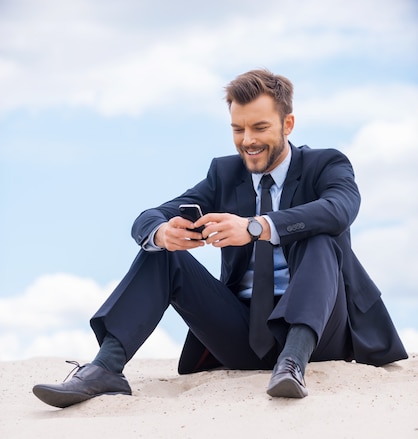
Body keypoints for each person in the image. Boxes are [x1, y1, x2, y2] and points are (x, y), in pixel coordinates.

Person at [32, 69, 408, 408]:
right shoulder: (224, 175)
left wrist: (256, 226)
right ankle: (106, 367)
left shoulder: (326, 164)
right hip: (244, 333)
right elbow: (148, 217)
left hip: (322, 334)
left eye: (260, 128)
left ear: (288, 124)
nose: (248, 141)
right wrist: (162, 233)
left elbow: (339, 210)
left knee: (318, 236)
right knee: (164, 251)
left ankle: (293, 363)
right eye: (238, 129)